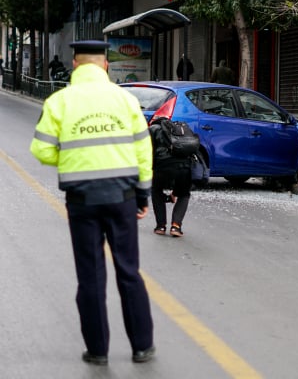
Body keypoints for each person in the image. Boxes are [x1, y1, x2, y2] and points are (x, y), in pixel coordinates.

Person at [29, 40, 155, 365]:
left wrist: (72, 161)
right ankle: (142, 347)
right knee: (129, 270)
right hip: (123, 197)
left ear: (74, 65)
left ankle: (98, 351)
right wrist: (143, 194)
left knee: (90, 275)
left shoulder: (59, 101)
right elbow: (144, 151)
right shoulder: (125, 100)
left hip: (82, 199)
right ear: (106, 66)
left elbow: (41, 149)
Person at [149, 118, 194, 237]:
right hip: (184, 167)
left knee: (156, 191)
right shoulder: (182, 129)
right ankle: (176, 226)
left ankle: (161, 226)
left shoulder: (153, 129)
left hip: (162, 166)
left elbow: (148, 151)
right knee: (184, 194)